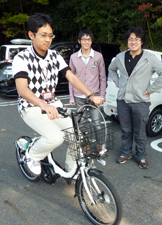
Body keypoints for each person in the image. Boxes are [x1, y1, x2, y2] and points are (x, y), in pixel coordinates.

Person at [13, 13, 100, 176]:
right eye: (43, 35)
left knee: (78, 137)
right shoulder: (21, 58)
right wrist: (43, 105)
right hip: (31, 107)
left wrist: (90, 95)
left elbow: (72, 77)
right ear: (31, 35)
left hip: (53, 104)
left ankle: (72, 169)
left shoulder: (54, 55)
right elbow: (22, 89)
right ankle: (31, 154)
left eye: (50, 36)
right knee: (56, 137)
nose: (48, 40)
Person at [108, 26, 162, 169]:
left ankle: (141, 156)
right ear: (127, 41)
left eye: (137, 39)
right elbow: (111, 69)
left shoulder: (149, 58)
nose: (133, 42)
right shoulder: (120, 57)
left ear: (142, 42)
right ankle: (125, 152)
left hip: (141, 102)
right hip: (123, 101)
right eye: (130, 39)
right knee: (125, 130)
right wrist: (118, 83)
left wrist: (150, 90)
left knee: (140, 132)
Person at [69, 29, 106, 152]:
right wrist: (71, 97)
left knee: (96, 122)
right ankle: (85, 144)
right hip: (79, 96)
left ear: (91, 41)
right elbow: (71, 78)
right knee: (82, 123)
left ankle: (99, 144)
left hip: (95, 95)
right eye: (83, 39)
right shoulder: (74, 57)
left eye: (89, 39)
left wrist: (102, 95)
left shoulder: (98, 56)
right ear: (79, 41)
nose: (86, 42)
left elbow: (102, 77)